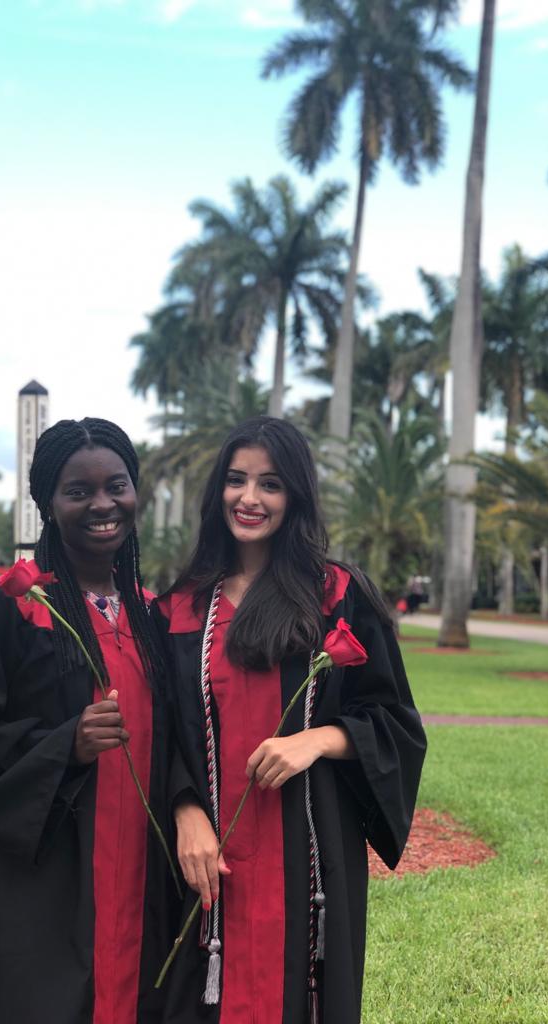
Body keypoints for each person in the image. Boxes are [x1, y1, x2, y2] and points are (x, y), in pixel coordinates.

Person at [153, 416, 426, 1024]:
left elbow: (395, 721)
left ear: (295, 496)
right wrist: (185, 808)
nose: (249, 498)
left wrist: (319, 740)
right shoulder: (181, 607)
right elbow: (164, 730)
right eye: (236, 480)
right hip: (208, 853)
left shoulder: (337, 593)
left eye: (270, 484)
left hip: (310, 847)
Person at [0, 417, 172, 1024]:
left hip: (142, 863)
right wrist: (67, 745)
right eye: (78, 491)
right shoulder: (7, 607)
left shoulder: (153, 618)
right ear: (47, 504)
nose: (102, 504)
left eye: (117, 486)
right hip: (44, 870)